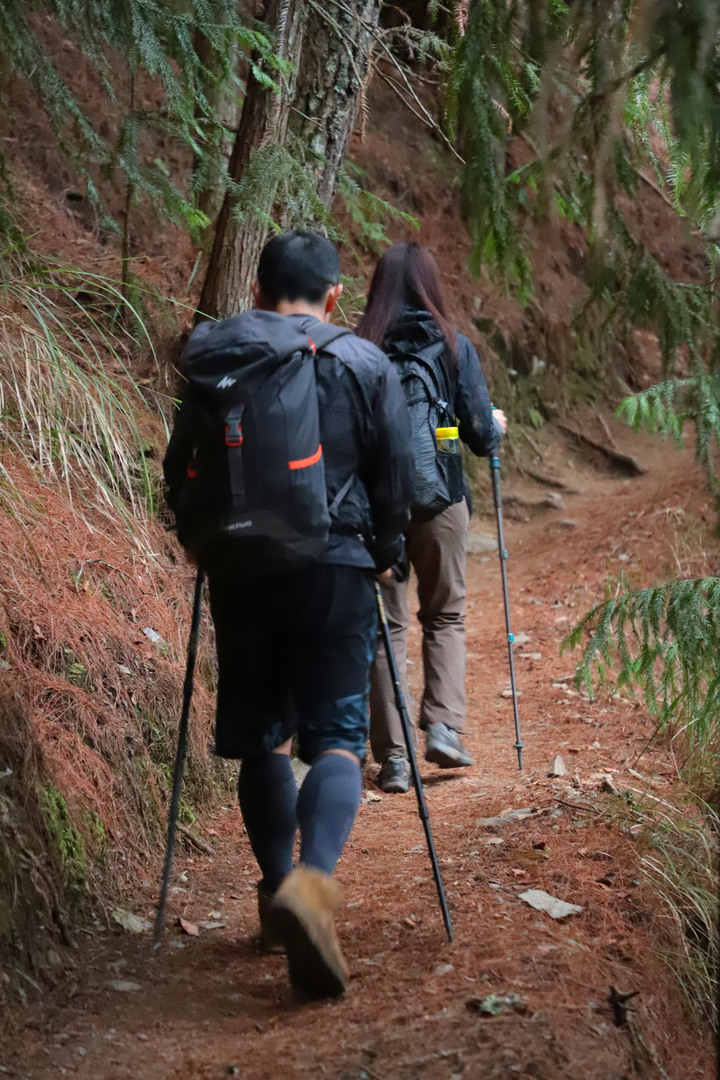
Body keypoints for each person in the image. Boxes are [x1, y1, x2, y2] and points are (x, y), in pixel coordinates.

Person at [163, 231, 414, 997]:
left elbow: (182, 472)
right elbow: (395, 471)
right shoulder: (362, 361)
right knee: (337, 739)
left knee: (265, 741)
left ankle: (277, 892)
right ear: (334, 295)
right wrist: (388, 545)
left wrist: (205, 544)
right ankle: (313, 882)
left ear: (260, 290)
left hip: (243, 572)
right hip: (335, 570)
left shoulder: (217, 358)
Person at [357, 242, 507, 795]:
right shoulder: (452, 347)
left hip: (377, 512)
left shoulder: (358, 348)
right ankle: (443, 726)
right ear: (430, 286)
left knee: (385, 629)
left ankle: (393, 757)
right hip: (441, 501)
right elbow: (476, 432)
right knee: (445, 615)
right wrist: (495, 425)